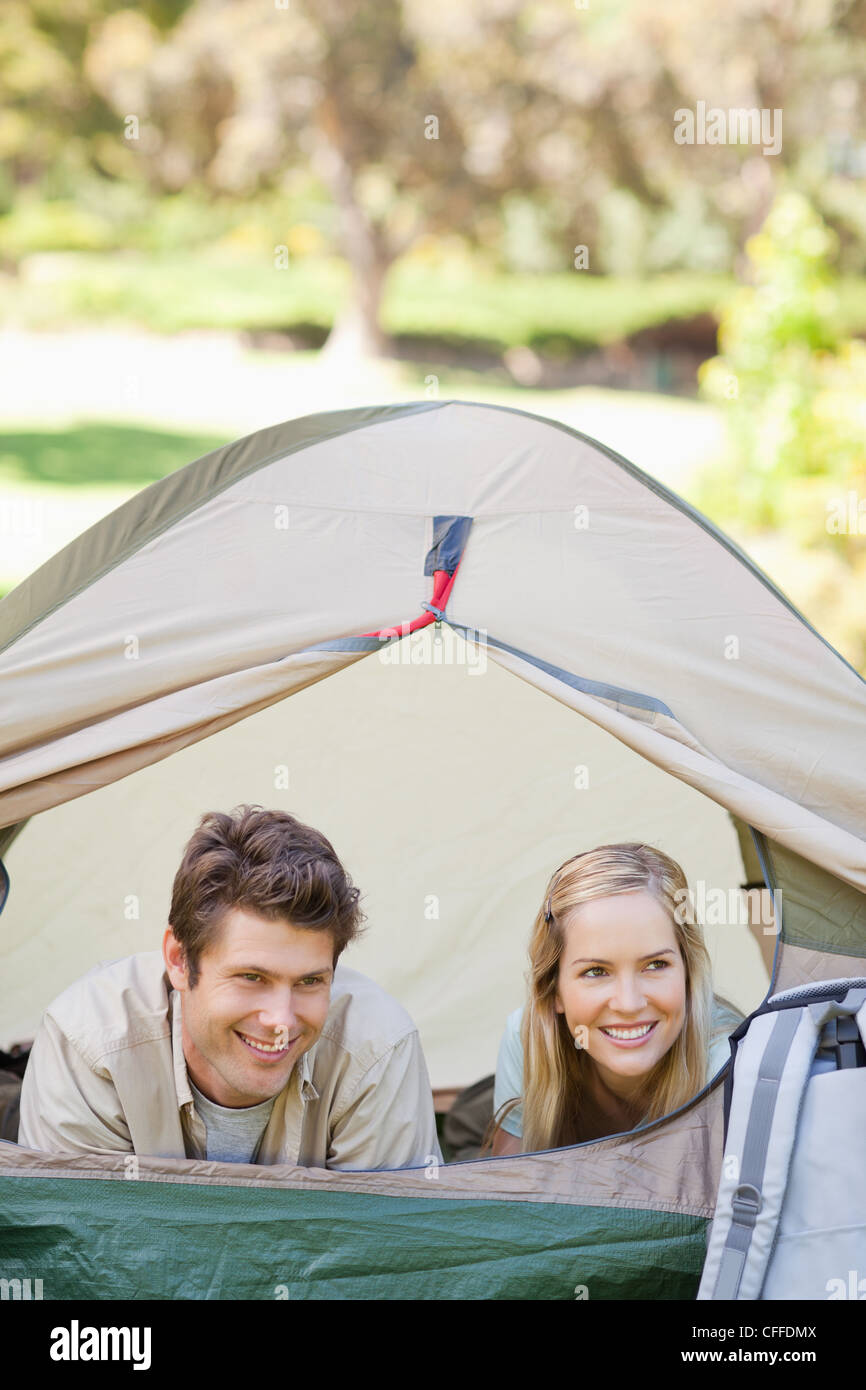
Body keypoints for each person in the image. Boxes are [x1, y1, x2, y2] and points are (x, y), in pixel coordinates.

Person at [18, 805, 441, 1171]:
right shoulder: (89, 1041)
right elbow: (86, 1253)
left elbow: (380, 1253)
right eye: (252, 978)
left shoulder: (378, 1048)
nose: (280, 1020)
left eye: (310, 981)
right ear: (179, 961)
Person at [491, 843, 743, 1154]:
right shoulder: (527, 1036)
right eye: (596, 971)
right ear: (554, 990)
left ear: (689, 974)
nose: (629, 1003)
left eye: (655, 965)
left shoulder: (730, 1065)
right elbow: (505, 1195)